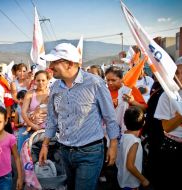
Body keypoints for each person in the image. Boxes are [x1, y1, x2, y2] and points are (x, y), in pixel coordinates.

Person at [38, 43, 119, 190]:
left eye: (54, 62)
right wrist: (45, 144)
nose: (50, 66)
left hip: (90, 152)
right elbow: (52, 118)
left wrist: (113, 145)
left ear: (69, 64)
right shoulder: (55, 87)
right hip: (64, 151)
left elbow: (110, 117)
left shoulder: (95, 84)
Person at [153, 56, 182, 189]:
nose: (180, 77)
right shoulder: (167, 96)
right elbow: (167, 127)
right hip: (173, 147)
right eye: (177, 73)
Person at [116, 106, 149, 190]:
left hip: (122, 178)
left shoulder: (122, 136)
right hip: (130, 183)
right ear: (143, 123)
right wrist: (143, 179)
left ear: (124, 121)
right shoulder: (134, 142)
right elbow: (130, 166)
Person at [21, 70, 49, 135]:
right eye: (38, 80)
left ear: (47, 80)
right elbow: (23, 112)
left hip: (49, 130)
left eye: (43, 80)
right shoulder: (30, 94)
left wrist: (41, 110)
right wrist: (33, 126)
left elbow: (57, 110)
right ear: (34, 81)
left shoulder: (52, 93)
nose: (41, 83)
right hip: (32, 129)